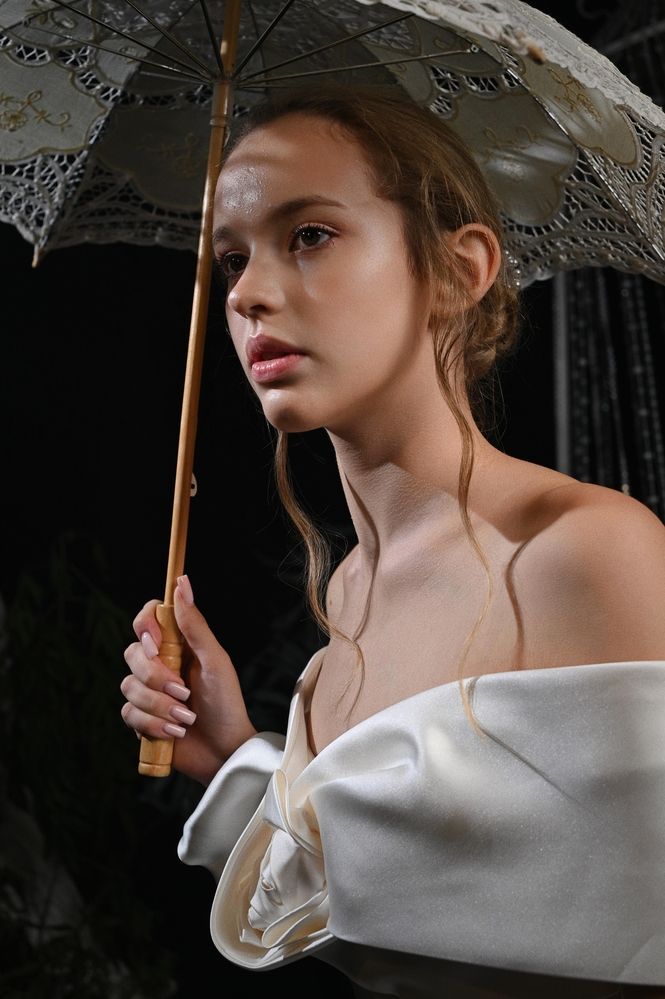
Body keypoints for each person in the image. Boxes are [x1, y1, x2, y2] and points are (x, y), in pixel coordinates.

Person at [121, 87, 665, 998]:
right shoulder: (348, 599)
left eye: (309, 234)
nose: (247, 293)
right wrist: (232, 755)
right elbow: (375, 895)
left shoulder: (586, 554)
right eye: (231, 258)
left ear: (458, 269)